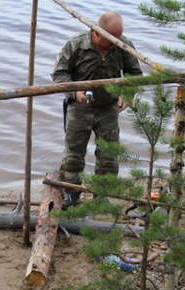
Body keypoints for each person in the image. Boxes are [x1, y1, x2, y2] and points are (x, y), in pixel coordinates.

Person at [51, 11, 143, 207]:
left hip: (108, 107)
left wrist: (126, 94)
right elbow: (59, 75)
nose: (115, 42)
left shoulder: (123, 45)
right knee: (74, 154)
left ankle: (101, 196)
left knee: (109, 154)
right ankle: (71, 194)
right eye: (111, 38)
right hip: (79, 108)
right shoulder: (75, 45)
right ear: (97, 33)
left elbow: (135, 74)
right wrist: (76, 93)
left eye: (117, 38)